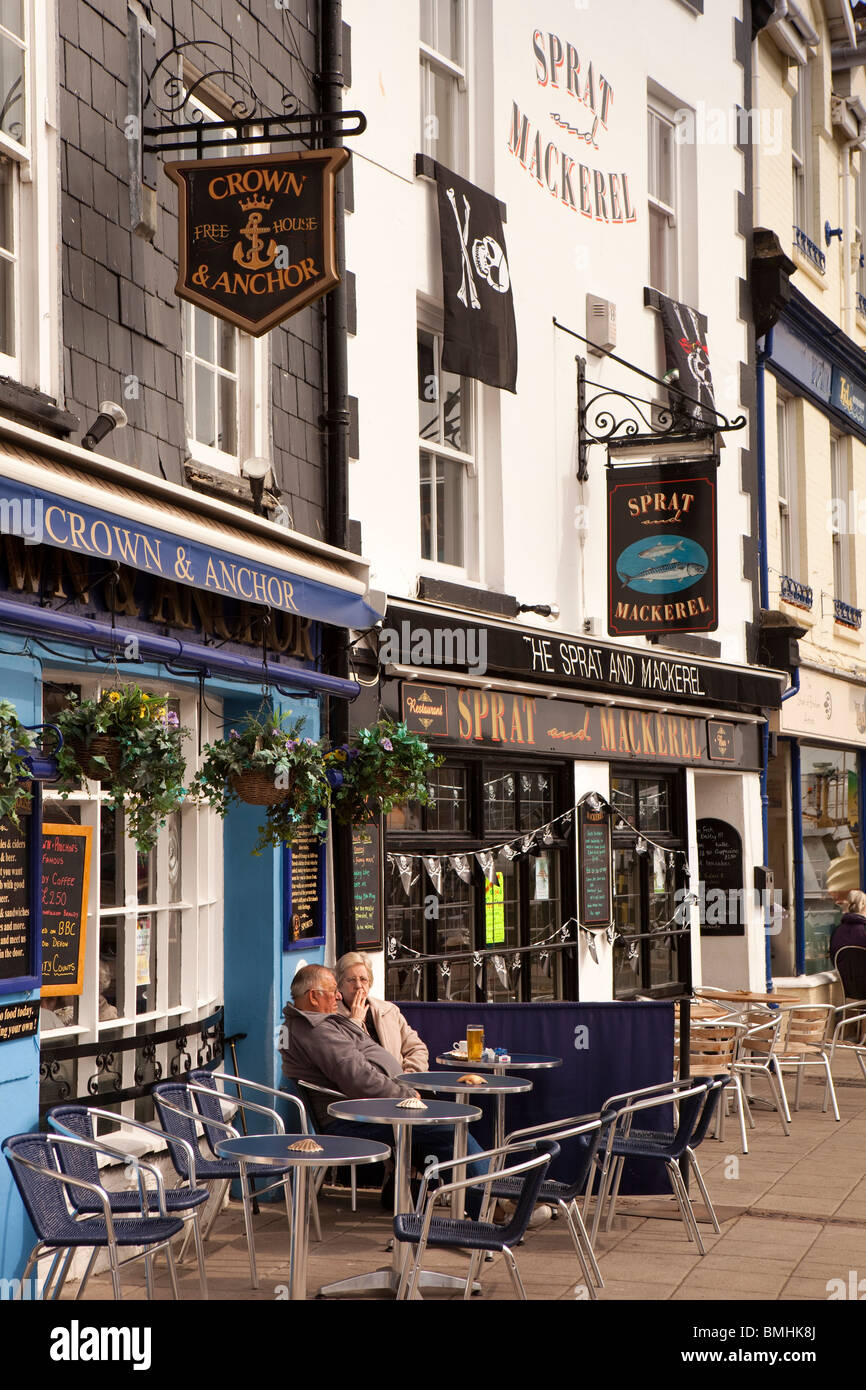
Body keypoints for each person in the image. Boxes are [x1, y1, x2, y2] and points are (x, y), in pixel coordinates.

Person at [279, 963, 486, 1212]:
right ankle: (491, 1202)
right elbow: (358, 1077)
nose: (337, 995)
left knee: (441, 1133)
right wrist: (406, 1095)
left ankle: (485, 1201)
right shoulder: (316, 1030)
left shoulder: (312, 1022)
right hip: (353, 1117)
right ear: (313, 996)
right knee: (447, 1128)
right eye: (333, 990)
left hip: (373, 1106)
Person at [335, 951, 428, 1073]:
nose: (358, 985)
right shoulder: (333, 1018)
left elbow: (417, 1048)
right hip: (369, 1086)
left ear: (370, 983)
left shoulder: (388, 1011)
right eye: (351, 980)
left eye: (363, 979)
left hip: (402, 1082)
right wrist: (354, 1022)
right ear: (340, 985)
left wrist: (408, 1076)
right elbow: (344, 1061)